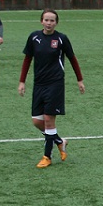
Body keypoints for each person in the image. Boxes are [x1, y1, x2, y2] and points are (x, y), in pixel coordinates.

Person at [18, 9, 85, 169]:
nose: (49, 23)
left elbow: (72, 58)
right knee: (36, 121)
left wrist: (79, 79)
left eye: (52, 20)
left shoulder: (61, 39)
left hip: (55, 84)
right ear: (41, 21)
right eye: (46, 20)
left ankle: (47, 157)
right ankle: (60, 142)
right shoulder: (34, 37)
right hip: (39, 84)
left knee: (48, 120)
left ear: (56, 22)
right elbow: (27, 59)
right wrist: (22, 81)